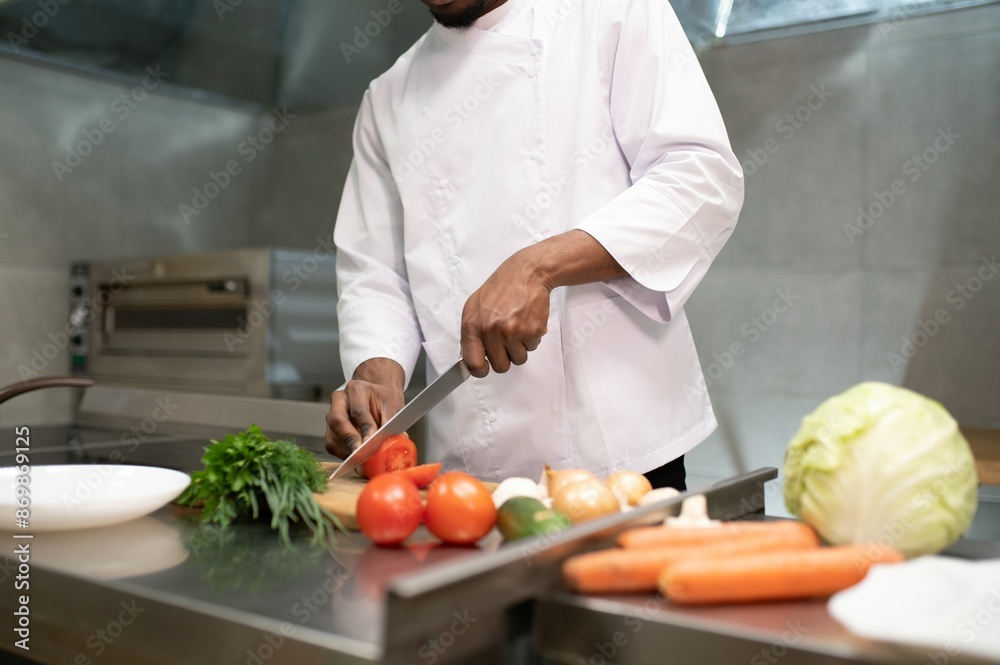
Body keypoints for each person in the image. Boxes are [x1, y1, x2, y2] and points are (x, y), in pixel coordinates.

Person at [325, 0, 744, 490]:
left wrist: (538, 267)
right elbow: (375, 273)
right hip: (471, 469)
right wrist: (377, 376)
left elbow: (701, 180)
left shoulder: (615, 10)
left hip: (622, 452)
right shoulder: (387, 98)